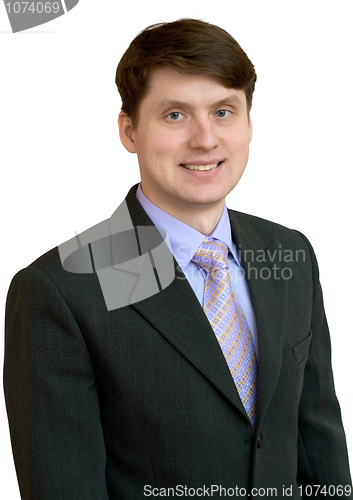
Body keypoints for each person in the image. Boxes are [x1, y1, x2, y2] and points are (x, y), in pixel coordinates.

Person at [3, 18, 352, 500]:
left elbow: (320, 448)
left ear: (250, 123)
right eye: (175, 115)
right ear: (128, 131)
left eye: (224, 112)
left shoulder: (289, 255)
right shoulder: (64, 289)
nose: (205, 139)